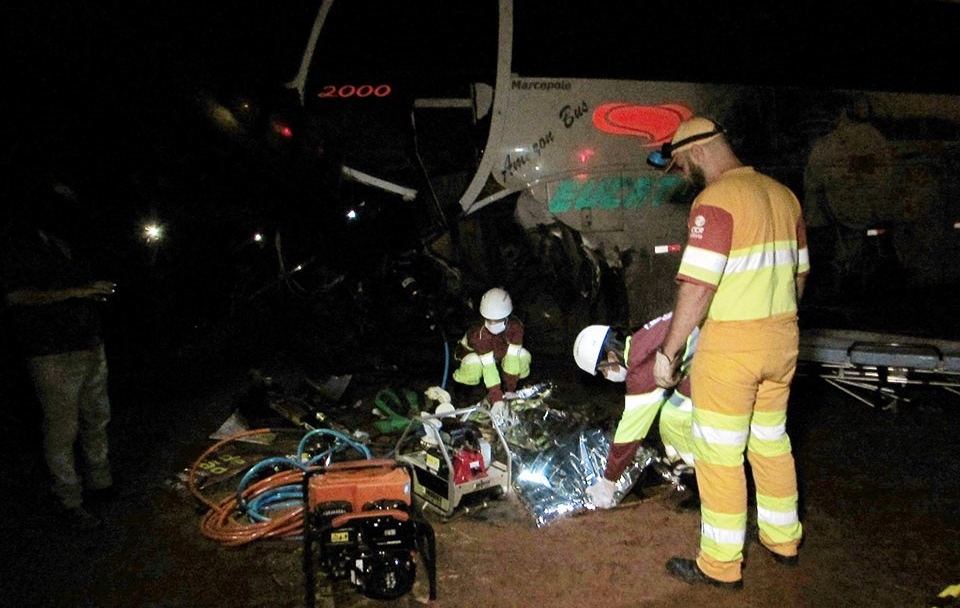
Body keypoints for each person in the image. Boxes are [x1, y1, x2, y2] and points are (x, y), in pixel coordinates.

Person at [653, 117, 809, 590]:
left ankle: (719, 565)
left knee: (719, 456)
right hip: (782, 338)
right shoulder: (784, 196)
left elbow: (698, 286)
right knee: (771, 441)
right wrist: (775, 319)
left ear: (698, 152)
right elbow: (800, 275)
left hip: (731, 348)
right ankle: (784, 540)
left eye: (681, 164)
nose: (683, 176)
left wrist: (669, 350)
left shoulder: (716, 201)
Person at [0, 179, 116, 530]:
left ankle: (101, 484)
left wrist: (89, 296)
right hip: (51, 352)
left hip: (89, 343)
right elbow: (15, 296)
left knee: (97, 418)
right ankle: (69, 500)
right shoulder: (21, 246)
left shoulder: (70, 244)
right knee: (61, 429)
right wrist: (76, 292)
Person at [573, 312, 697, 509]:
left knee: (676, 419)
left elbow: (629, 433)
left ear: (612, 356)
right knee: (673, 409)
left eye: (603, 370)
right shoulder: (641, 341)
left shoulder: (640, 370)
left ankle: (708, 482)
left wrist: (608, 482)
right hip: (716, 344)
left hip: (723, 355)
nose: (606, 376)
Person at [451, 287, 531, 406]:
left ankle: (518, 386)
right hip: (474, 356)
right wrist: (497, 399)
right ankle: (462, 393)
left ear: (506, 316)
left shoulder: (515, 327)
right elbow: (489, 367)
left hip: (497, 354)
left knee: (523, 355)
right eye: (489, 320)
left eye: (497, 320)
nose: (492, 324)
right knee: (475, 363)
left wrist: (510, 391)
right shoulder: (479, 334)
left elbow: (513, 357)